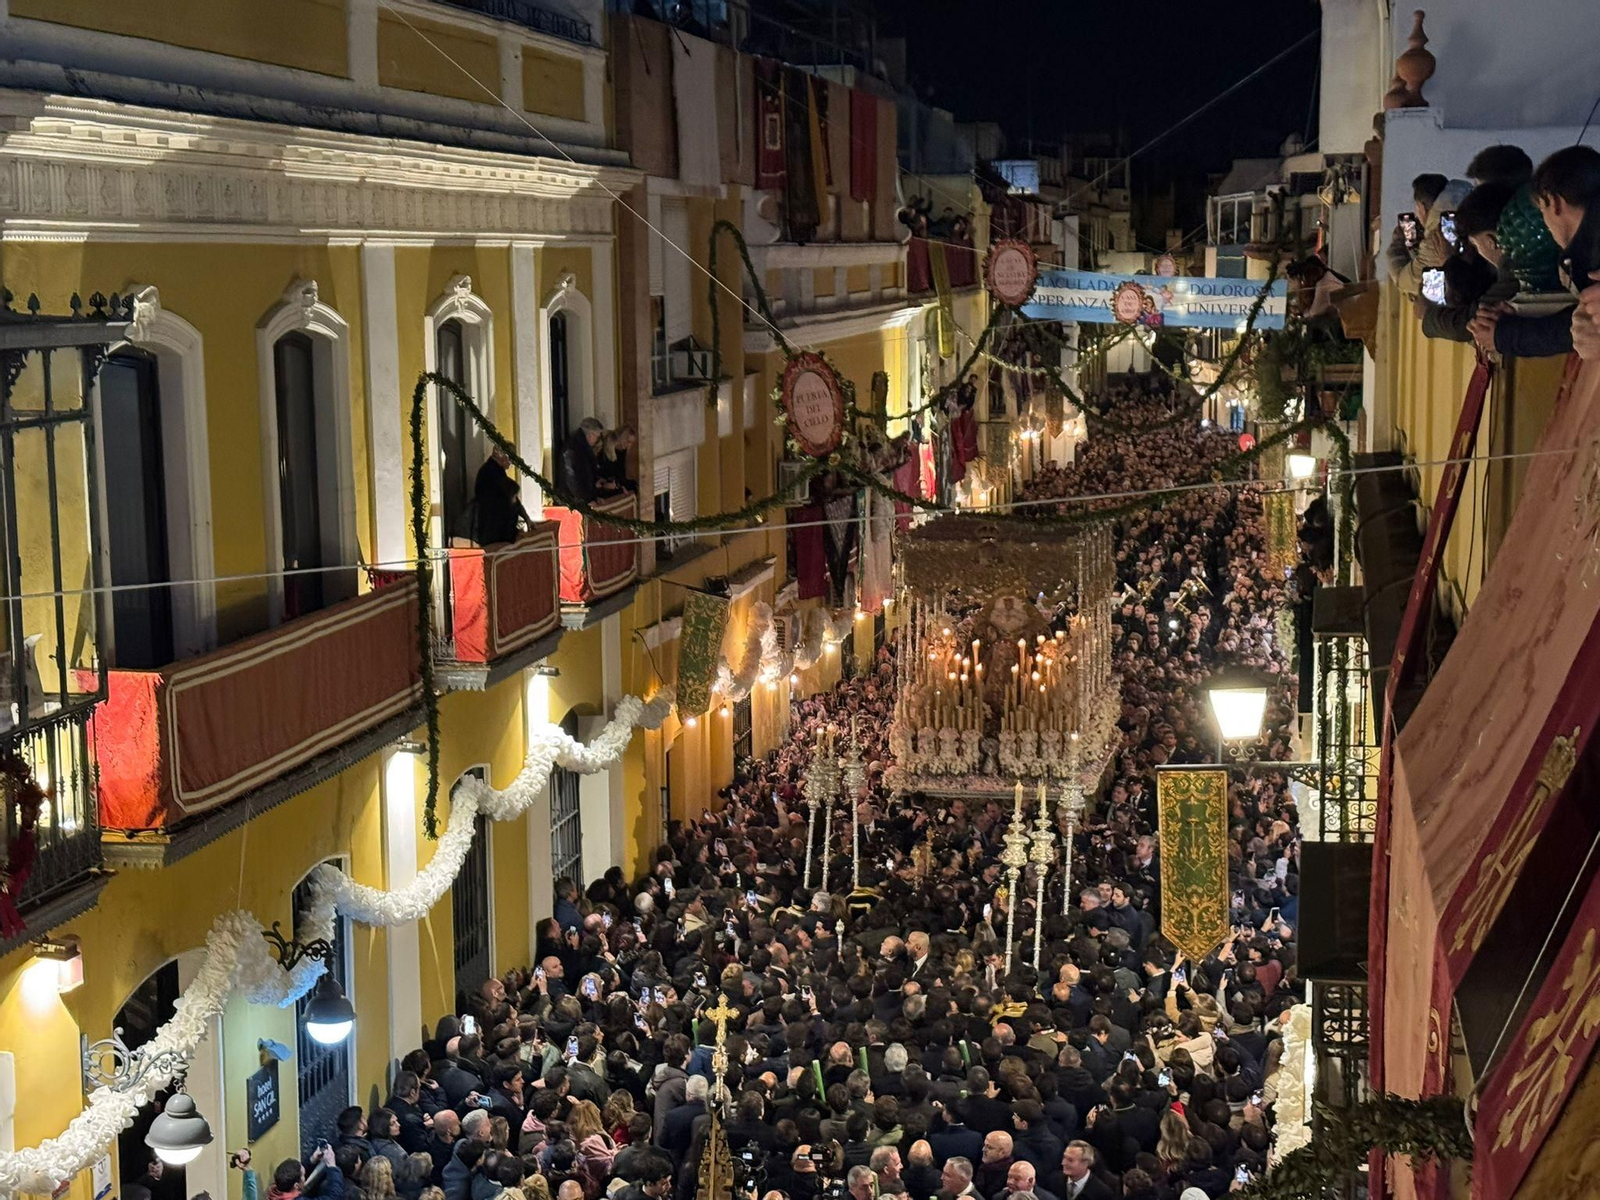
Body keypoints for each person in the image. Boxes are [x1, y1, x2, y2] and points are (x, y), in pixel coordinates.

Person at [472, 448, 532, 547]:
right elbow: (511, 490)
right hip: (493, 532)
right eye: (510, 458)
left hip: (497, 531)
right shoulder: (490, 471)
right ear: (500, 455)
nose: (511, 463)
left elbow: (514, 498)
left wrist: (527, 518)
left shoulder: (497, 471)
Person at [559, 418, 605, 502]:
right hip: (573, 501)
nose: (597, 440)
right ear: (591, 435)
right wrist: (586, 500)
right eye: (597, 437)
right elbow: (573, 480)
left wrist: (593, 497)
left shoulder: (580, 448)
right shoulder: (574, 449)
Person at [597, 426, 638, 494]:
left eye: (631, 443)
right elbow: (604, 468)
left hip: (613, 480)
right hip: (603, 479)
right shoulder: (606, 446)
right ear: (622, 438)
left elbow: (621, 470)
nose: (629, 445)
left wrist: (619, 484)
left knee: (634, 485)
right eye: (628, 441)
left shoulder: (622, 451)